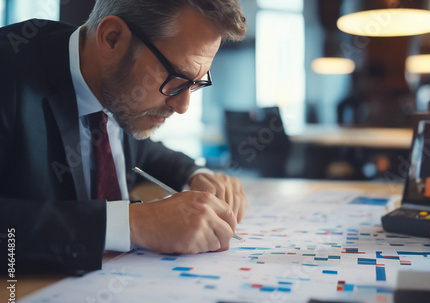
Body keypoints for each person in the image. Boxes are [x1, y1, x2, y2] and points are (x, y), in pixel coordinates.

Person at [0, 0, 248, 273]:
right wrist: (135, 223)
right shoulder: (8, 72)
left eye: (196, 83)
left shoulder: (119, 93)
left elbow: (147, 152)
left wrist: (196, 174)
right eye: (177, 79)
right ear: (112, 39)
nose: (183, 107)